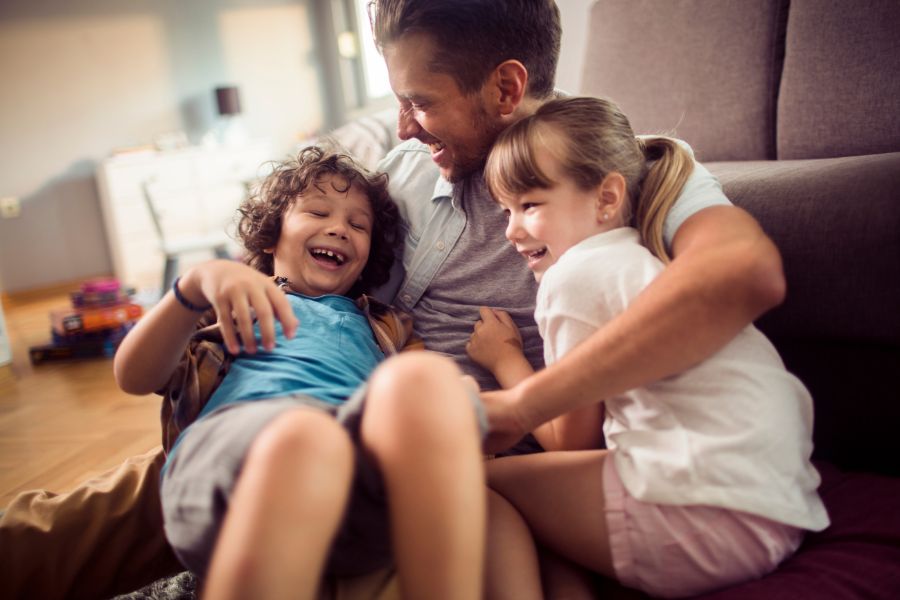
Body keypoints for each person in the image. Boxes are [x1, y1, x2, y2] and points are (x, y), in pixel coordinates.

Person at [2, 1, 789, 597]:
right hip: (298, 403)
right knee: (47, 539)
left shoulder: (614, 168)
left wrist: (517, 404)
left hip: (456, 450)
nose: (405, 127)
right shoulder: (409, 171)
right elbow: (304, 239)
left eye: (420, 101)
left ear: (507, 86)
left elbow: (744, 275)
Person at [465, 96, 830, 598]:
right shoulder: (643, 257)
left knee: (474, 486)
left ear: (607, 198)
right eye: (506, 210)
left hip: (701, 519)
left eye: (530, 205)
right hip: (776, 508)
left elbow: (569, 441)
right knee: (540, 513)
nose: (511, 230)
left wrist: (506, 360)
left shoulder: (575, 277)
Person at [113, 145, 486, 600]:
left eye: (358, 224)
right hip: (234, 467)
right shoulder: (233, 303)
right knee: (306, 439)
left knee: (425, 382)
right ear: (271, 235)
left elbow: (417, 409)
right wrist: (193, 287)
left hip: (356, 483)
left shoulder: (385, 324)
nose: (339, 228)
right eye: (317, 211)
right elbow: (135, 377)